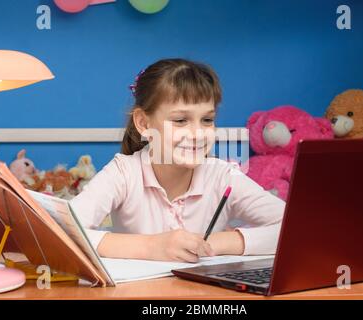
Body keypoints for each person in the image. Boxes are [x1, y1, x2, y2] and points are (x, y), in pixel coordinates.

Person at [70, 58, 286, 263]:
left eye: (207, 120)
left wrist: (215, 242)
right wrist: (152, 247)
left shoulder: (223, 176)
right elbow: (61, 232)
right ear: (144, 123)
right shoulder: (123, 173)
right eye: (181, 120)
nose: (198, 134)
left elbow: (298, 229)